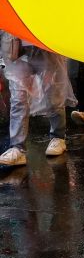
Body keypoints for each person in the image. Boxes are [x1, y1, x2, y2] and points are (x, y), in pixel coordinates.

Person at [1, 31, 76, 166]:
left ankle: (58, 137)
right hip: (14, 47)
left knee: (53, 94)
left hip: (45, 43)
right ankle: (17, 148)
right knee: (18, 99)